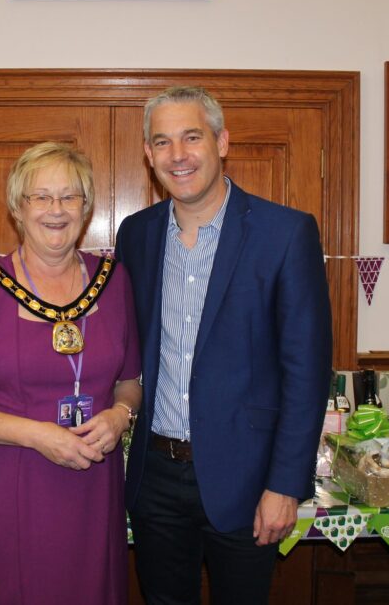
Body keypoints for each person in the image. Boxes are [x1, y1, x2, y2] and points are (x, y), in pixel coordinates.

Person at [115, 86, 333, 603]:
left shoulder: (285, 233)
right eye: (162, 142)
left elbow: (307, 373)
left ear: (222, 142)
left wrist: (285, 485)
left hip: (250, 479)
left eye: (192, 137)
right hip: (156, 479)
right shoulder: (137, 235)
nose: (178, 155)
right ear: (148, 155)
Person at [0, 141, 142, 604]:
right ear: (17, 207)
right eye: (41, 197)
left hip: (95, 484)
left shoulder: (114, 281)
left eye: (70, 197)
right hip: (16, 482)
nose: (56, 210)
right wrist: (38, 435)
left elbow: (129, 384)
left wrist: (119, 415)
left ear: (86, 209)